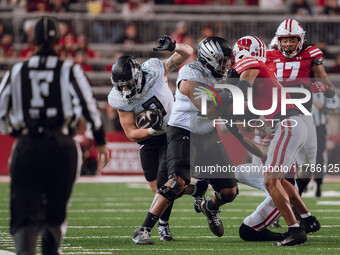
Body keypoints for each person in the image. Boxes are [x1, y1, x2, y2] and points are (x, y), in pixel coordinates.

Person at [0, 16, 109, 255]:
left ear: (31, 40)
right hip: (62, 146)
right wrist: (100, 140)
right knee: (55, 212)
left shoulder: (17, 70)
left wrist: (17, 132)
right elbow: (89, 107)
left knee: (24, 213)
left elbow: (1, 111)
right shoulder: (69, 69)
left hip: (27, 145)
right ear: (60, 40)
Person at [132, 36, 239, 245]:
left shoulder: (224, 75)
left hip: (208, 133)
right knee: (176, 182)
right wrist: (233, 95)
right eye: (223, 61)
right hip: (183, 130)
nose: (227, 65)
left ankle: (211, 207)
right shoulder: (190, 73)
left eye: (228, 60)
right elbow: (208, 109)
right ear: (210, 59)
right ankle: (144, 229)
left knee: (229, 191)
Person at [229, 35, 320, 246]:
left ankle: (295, 230)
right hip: (292, 123)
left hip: (288, 124)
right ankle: (306, 218)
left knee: (270, 181)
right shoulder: (263, 70)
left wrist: (227, 100)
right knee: (281, 179)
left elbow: (241, 89)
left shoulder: (250, 63)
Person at [108, 35, 193, 242]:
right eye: (121, 86)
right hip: (149, 138)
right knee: (156, 187)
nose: (125, 90)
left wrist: (175, 46)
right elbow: (130, 133)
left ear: (138, 76)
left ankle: (161, 226)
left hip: (174, 131)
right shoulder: (119, 98)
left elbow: (187, 52)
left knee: (166, 183)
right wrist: (152, 131)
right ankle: (196, 189)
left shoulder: (155, 71)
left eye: (128, 84)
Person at [266, 19, 336, 195]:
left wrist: (326, 88)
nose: (288, 44)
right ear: (279, 40)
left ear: (300, 40)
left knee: (308, 167)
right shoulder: (268, 56)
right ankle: (281, 206)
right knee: (283, 165)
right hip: (278, 115)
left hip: (304, 114)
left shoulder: (311, 53)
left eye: (292, 40)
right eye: (285, 40)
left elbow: (323, 79)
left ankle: (293, 200)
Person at [312, 92, 340, 197]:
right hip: (304, 125)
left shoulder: (323, 89)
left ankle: (318, 184)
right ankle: (302, 181)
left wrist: (323, 106)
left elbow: (336, 103)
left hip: (319, 128)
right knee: (301, 154)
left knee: (319, 156)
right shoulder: (302, 85)